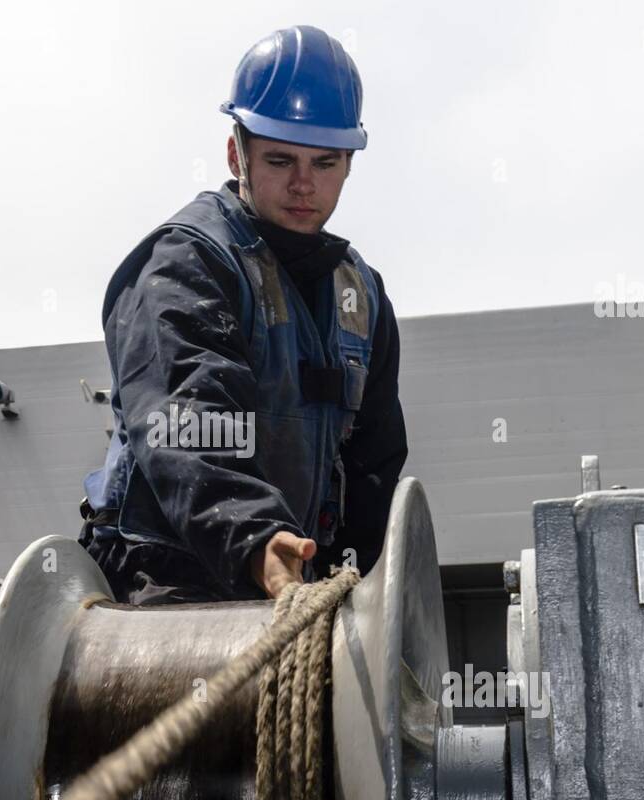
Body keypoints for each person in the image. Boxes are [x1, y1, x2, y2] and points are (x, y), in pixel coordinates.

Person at [79, 24, 407, 604]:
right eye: (280, 160)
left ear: (349, 164)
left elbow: (373, 464)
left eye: (325, 163)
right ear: (238, 153)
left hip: (294, 587)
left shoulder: (364, 297)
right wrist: (257, 540)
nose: (304, 184)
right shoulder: (185, 262)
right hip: (166, 586)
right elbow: (188, 418)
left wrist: (346, 584)